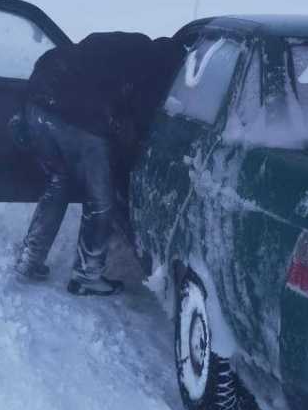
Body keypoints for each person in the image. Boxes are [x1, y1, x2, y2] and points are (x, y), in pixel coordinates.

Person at [14, 32, 184, 295]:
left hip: (38, 102)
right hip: (77, 116)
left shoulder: (126, 44)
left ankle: (29, 259)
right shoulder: (158, 67)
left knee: (59, 181)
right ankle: (86, 276)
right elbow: (140, 114)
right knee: (100, 200)